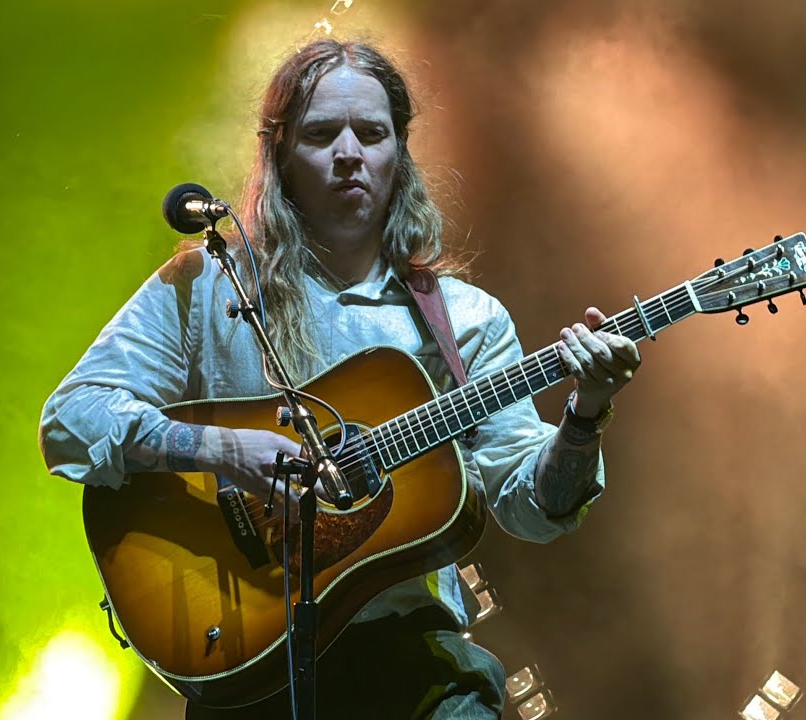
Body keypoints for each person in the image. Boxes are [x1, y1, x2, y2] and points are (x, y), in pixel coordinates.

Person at [39, 38, 640, 719]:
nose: (349, 153)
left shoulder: (466, 319)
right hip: (250, 655)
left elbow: (531, 509)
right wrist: (220, 450)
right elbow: (70, 419)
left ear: (399, 153)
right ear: (281, 155)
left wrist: (585, 416)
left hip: (417, 663)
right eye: (322, 134)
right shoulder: (209, 283)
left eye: (372, 133)